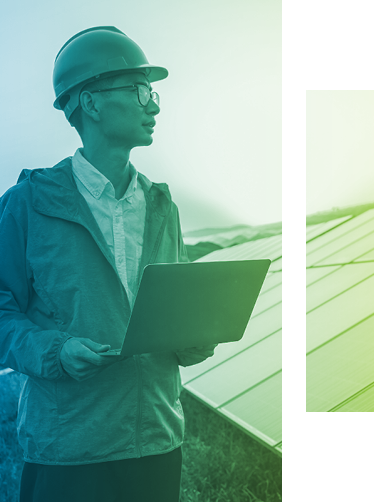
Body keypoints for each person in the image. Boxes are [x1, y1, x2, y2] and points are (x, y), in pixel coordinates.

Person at [0, 26, 216, 502]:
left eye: (152, 92)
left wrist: (194, 338)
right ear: (91, 103)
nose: (153, 105)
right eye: (140, 91)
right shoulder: (28, 204)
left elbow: (170, 318)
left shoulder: (163, 207)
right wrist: (56, 351)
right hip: (69, 451)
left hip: (156, 441)